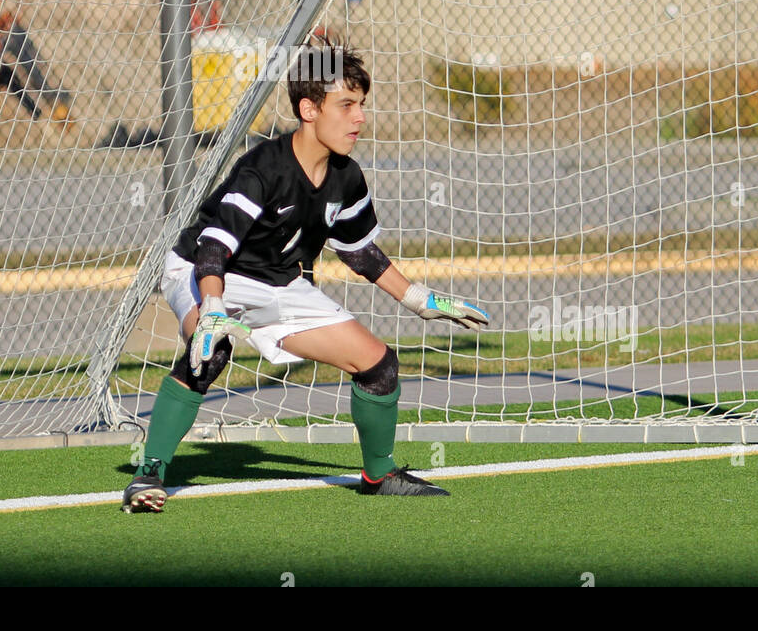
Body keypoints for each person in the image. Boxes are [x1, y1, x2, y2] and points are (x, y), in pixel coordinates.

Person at [122, 42, 489, 512]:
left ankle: (379, 475)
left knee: (379, 367)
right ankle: (148, 473)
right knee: (209, 349)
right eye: (347, 105)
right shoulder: (262, 170)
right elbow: (214, 248)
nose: (359, 118)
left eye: (362, 105)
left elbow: (359, 253)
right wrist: (212, 309)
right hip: (207, 269)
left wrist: (419, 299)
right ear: (308, 109)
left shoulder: (347, 176)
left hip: (280, 281)